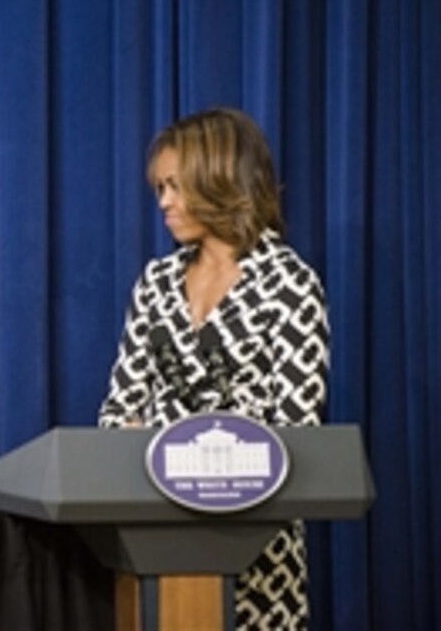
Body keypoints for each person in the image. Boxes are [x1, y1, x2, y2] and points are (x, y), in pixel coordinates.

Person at [98, 108, 328, 629]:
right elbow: (118, 412)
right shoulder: (155, 283)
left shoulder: (289, 284)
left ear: (220, 179)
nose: (165, 203)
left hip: (256, 555)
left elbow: (298, 435)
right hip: (155, 546)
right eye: (160, 188)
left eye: (176, 187)